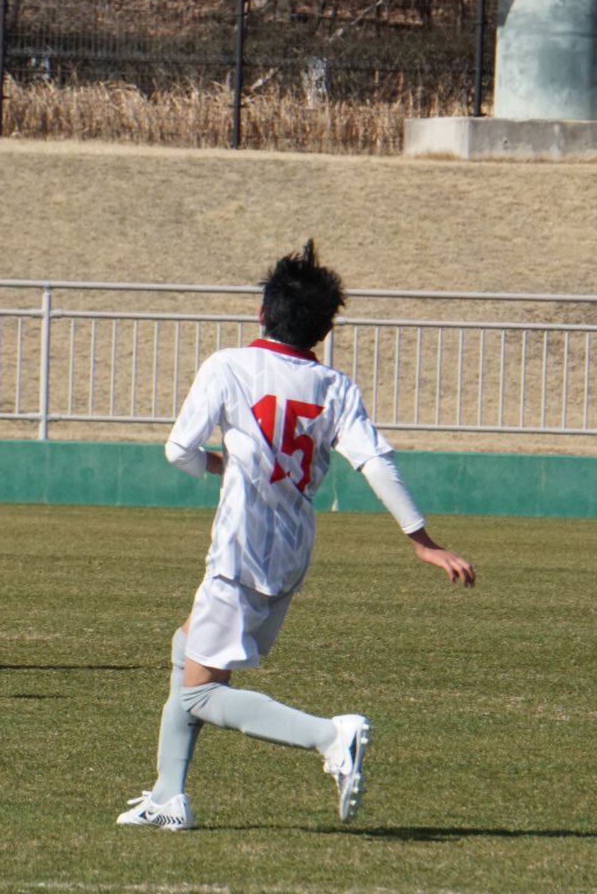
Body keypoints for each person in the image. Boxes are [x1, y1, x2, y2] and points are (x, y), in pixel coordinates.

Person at [117, 240, 475, 830]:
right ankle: (166, 795)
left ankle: (331, 737)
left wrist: (218, 464)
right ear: (321, 330)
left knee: (199, 693)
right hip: (291, 550)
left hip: (239, 548)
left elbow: (178, 449)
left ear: (263, 313)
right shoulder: (335, 387)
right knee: (188, 652)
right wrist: (422, 539)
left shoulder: (229, 366)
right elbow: (376, 463)